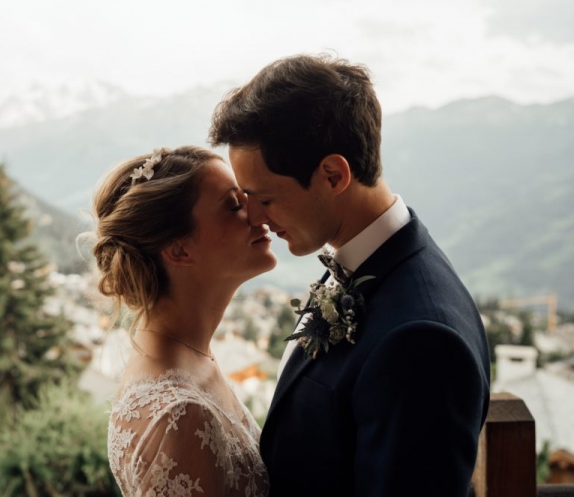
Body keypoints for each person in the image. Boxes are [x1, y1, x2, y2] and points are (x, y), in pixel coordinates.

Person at [209, 54, 491, 496]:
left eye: (264, 198)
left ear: (333, 174)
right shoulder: (363, 261)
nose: (254, 217)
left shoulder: (421, 339)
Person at [91, 146, 276, 496]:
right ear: (179, 249)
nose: (258, 212)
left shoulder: (189, 353)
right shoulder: (178, 417)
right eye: (234, 205)